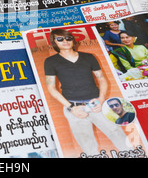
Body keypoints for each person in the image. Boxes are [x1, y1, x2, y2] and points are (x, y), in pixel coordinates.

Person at [44, 28, 132, 156]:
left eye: (68, 38)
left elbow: (102, 79)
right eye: (60, 39)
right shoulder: (51, 62)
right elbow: (51, 88)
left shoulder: (89, 57)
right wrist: (71, 108)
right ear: (54, 42)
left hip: (96, 103)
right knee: (86, 143)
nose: (65, 41)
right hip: (73, 107)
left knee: (117, 133)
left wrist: (101, 99)